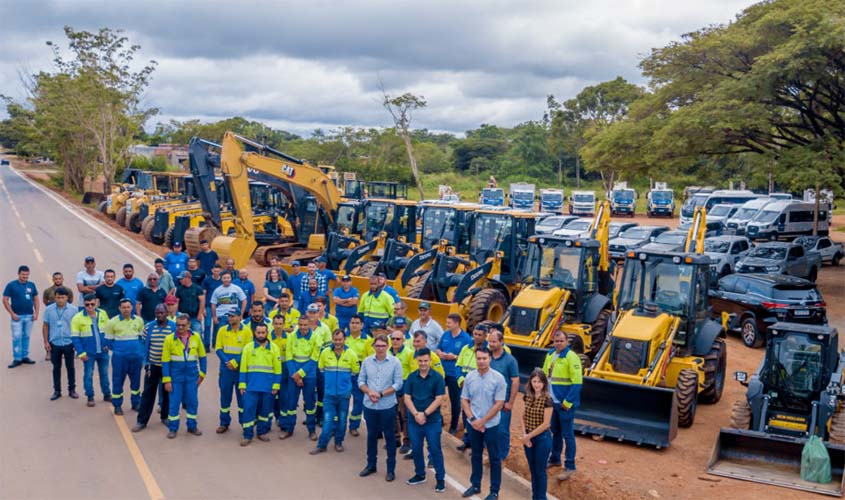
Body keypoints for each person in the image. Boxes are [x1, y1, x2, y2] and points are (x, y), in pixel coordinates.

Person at [460, 347, 507, 500]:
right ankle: (475, 485)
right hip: (473, 424)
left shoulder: (498, 379)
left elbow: (499, 403)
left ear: (490, 359)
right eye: (478, 358)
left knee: (494, 458)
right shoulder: (470, 377)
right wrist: (473, 420)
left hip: (491, 425)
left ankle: (494, 491)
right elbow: (464, 400)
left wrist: (483, 421)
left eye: (484, 358)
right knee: (475, 455)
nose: (481, 361)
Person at [358, 334, 404, 482]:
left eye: (383, 346)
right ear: (373, 346)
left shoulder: (395, 362)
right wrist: (369, 392)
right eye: (377, 345)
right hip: (369, 405)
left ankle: (391, 469)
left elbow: (398, 384)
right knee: (371, 436)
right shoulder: (366, 362)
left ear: (388, 346)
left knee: (389, 437)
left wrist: (381, 394)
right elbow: (361, 381)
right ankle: (371, 465)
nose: (380, 348)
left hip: (387, 406)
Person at [403, 348, 447, 492]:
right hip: (414, 420)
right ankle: (420, 474)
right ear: (417, 361)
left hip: (432, 421)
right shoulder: (411, 377)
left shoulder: (437, 377)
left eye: (425, 361)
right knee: (416, 448)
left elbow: (439, 398)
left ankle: (440, 479)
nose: (423, 363)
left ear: (430, 360)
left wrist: (425, 414)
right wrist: (416, 414)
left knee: (435, 449)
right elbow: (407, 397)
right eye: (420, 361)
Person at [542, 330, 582, 481]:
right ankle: (555, 458)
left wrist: (568, 402)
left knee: (568, 435)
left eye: (561, 341)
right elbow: (545, 376)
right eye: (556, 341)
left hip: (565, 404)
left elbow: (577, 383)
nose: (558, 343)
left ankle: (570, 465)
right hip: (553, 403)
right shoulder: (550, 355)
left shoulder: (571, 357)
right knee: (555, 432)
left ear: (566, 342)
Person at [311, 329, 359, 454]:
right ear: (332, 339)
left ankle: (338, 442)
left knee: (342, 420)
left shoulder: (351, 354)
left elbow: (355, 372)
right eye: (335, 339)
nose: (337, 342)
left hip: (344, 395)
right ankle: (322, 445)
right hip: (329, 394)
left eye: (340, 339)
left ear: (344, 340)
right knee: (327, 420)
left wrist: (345, 386)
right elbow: (321, 369)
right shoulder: (325, 352)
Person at [162, 314, 207, 438]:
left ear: (189, 325)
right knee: (174, 403)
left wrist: (202, 374)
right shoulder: (169, 339)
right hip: (176, 376)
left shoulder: (196, 337)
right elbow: (165, 361)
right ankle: (173, 428)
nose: (180, 327)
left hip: (192, 376)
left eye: (183, 325)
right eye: (178, 325)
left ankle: (192, 426)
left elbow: (202, 357)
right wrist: (167, 380)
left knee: (192, 401)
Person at [132, 304, 175, 432]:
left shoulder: (173, 327)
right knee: (148, 394)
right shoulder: (149, 327)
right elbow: (143, 344)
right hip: (152, 365)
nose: (159, 315)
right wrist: (146, 362)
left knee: (167, 393)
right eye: (157, 313)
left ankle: (165, 416)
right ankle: (142, 421)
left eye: (161, 312)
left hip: (168, 367)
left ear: (167, 313)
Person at [239, 323, 282, 446]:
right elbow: (243, 367)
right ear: (254, 333)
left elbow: (278, 369)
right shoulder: (248, 348)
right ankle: (247, 435)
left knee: (265, 411)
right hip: (251, 386)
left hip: (268, 387)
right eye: (258, 332)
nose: (261, 335)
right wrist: (242, 384)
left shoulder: (274, 348)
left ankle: (262, 432)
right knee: (248, 410)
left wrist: (276, 385)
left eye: (263, 332)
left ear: (267, 333)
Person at [282, 316, 321, 440]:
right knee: (291, 403)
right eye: (301, 325)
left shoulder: (316, 337)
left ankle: (311, 430)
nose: (303, 328)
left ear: (309, 324)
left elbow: (314, 359)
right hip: (293, 375)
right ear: (298, 324)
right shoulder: (292, 336)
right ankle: (289, 429)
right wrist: (295, 375)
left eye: (305, 325)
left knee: (310, 404)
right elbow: (288, 357)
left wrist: (300, 374)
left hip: (309, 375)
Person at [105, 299, 145, 415]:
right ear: (119, 308)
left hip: (135, 358)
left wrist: (141, 355)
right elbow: (108, 341)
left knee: (136, 382)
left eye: (128, 307)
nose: (126, 309)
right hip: (120, 359)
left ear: (132, 307)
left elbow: (142, 339)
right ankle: (117, 405)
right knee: (118, 381)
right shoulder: (112, 322)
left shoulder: (139, 320)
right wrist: (119, 350)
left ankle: (136, 403)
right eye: (124, 307)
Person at [215, 309, 252, 434]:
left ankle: (244, 423)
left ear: (240, 317)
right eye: (229, 316)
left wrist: (235, 362)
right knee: (225, 398)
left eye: (233, 316)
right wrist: (227, 362)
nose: (230, 318)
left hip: (240, 370)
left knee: (242, 398)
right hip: (226, 370)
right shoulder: (222, 330)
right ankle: (224, 423)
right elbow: (218, 349)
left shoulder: (247, 331)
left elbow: (247, 350)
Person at [71, 294, 111, 406]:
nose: (90, 306)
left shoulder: (102, 314)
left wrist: (108, 344)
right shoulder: (77, 318)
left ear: (96, 303)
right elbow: (75, 337)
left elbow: (109, 330)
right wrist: (81, 353)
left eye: (92, 304)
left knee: (104, 374)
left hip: (103, 351)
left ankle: (107, 394)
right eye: (87, 304)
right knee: (88, 375)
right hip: (88, 353)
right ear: (84, 304)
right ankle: (90, 396)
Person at [436, 313, 472, 436]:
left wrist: (454, 357)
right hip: (442, 372)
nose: (447, 325)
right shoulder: (446, 334)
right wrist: (441, 353)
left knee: (455, 400)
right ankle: (438, 420)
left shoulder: (466, 338)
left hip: (454, 374)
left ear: (457, 323)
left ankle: (454, 425)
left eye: (449, 323)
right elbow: (438, 348)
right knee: (436, 396)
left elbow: (467, 357)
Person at [521, 368, 554, 500]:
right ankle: (535, 497)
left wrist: (529, 436)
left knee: (540, 472)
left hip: (542, 439)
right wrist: (525, 435)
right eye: (534, 381)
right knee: (533, 471)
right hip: (528, 437)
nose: (536, 384)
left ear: (544, 383)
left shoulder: (548, 400)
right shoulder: (527, 396)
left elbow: (546, 424)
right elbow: (522, 417)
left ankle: (541, 497)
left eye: (539, 382)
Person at [488, 326, 519, 461]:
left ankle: (501, 456)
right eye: (490, 341)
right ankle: (491, 453)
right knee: (490, 428)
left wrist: (510, 402)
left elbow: (515, 381)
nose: (491, 344)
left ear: (501, 342)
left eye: (494, 342)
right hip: (488, 400)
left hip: (503, 402)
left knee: (502, 430)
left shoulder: (510, 360)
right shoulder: (487, 357)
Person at [42, 287, 77, 400]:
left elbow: (77, 327)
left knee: (70, 367)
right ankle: (57, 391)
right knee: (56, 368)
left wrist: (77, 342)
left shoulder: (74, 310)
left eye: (63, 297)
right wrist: (46, 342)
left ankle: (72, 389)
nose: (60, 300)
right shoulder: (49, 309)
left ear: (67, 298)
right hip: (55, 343)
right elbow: (45, 325)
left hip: (69, 342)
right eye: (58, 297)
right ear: (55, 298)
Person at [3, 265, 39, 368]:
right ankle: (17, 358)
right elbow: (5, 300)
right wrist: (12, 313)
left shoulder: (31, 285)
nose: (25, 276)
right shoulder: (11, 285)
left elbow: (36, 299)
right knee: (17, 337)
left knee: (26, 336)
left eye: (27, 274)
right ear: (18, 274)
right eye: (23, 274)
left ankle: (25, 356)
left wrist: (36, 313)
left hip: (29, 316)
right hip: (17, 317)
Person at [345, 314, 372, 436]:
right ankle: (337, 426)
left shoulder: (368, 340)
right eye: (352, 322)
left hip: (359, 374)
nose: (354, 325)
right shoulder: (343, 338)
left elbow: (370, 360)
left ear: (362, 325)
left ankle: (354, 425)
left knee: (358, 401)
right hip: (344, 373)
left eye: (357, 323)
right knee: (341, 400)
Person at [390, 329, 414, 455]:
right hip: (390, 388)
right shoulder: (387, 352)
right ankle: (395, 439)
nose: (395, 341)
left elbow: (412, 372)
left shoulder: (409, 353)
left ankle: (407, 441)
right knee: (392, 415)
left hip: (404, 388)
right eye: (393, 338)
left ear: (403, 340)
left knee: (405, 417)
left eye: (398, 339)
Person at [270, 315, 290, 433]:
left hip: (284, 369)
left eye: (280, 323)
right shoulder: (268, 338)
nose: (278, 326)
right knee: (272, 396)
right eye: (276, 323)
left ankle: (283, 420)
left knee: (284, 396)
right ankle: (273, 418)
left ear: (284, 324)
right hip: (271, 370)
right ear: (272, 324)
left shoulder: (288, 338)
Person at [174, 271, 205, 336]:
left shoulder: (197, 288)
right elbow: (177, 302)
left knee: (197, 334)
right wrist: (176, 314)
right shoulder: (179, 289)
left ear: (187, 278)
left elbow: (202, 301)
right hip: (182, 317)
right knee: (182, 335)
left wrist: (200, 314)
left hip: (194, 317)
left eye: (181, 279)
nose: (180, 281)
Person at [201, 264, 224, 349]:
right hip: (208, 306)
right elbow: (203, 294)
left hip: (219, 306)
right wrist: (203, 308)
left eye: (218, 271)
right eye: (215, 271)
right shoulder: (207, 280)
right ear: (212, 270)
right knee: (207, 325)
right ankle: (207, 345)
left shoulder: (222, 281)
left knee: (217, 325)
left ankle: (215, 343)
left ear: (220, 271)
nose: (216, 272)